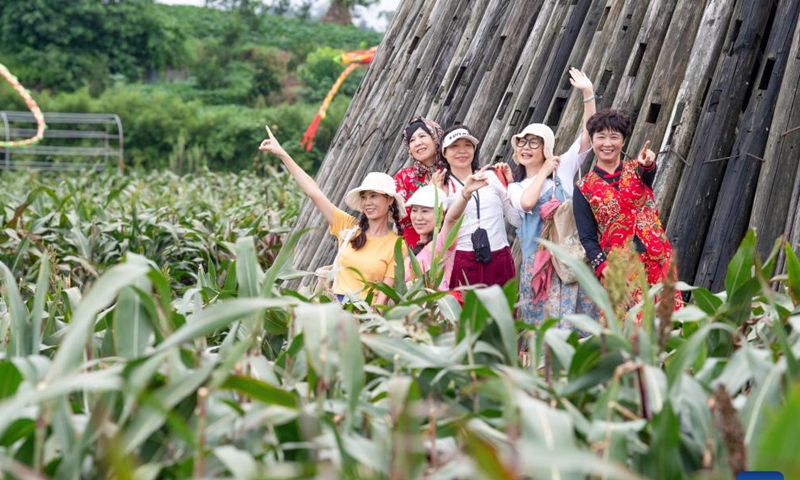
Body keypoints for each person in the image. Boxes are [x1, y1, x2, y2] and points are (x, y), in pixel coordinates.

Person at [259, 125, 405, 304]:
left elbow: (384, 294)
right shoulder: (350, 227)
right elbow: (314, 192)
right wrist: (282, 154)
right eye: (364, 197)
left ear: (390, 200)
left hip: (365, 315)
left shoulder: (397, 245)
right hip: (334, 309)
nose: (368, 202)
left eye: (374, 196)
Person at [508, 67, 599, 328]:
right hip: (537, 266)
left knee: (574, 328)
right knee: (541, 331)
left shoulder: (564, 168)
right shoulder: (516, 187)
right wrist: (545, 170)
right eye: (522, 143)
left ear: (546, 147)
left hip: (569, 262)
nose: (526, 148)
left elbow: (587, 138)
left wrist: (588, 93)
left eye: (533, 143)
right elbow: (527, 203)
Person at [573, 109, 683, 311]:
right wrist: (605, 269)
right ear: (592, 141)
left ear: (623, 142)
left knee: (670, 324)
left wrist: (649, 164)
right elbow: (587, 238)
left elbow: (648, 172)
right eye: (601, 137)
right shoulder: (584, 187)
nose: (607, 143)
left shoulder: (637, 169)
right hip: (622, 269)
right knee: (632, 331)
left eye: (614, 137)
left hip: (658, 259)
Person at [438, 125, 520, 288]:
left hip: (500, 257)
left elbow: (516, 219)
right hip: (464, 259)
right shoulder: (442, 186)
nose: (462, 150)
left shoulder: (491, 176)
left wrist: (512, 185)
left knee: (504, 313)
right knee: (467, 313)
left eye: (468, 145)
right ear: (444, 153)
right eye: (454, 146)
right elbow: (439, 234)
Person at [404, 169, 490, 292]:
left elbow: (451, 219)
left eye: (425, 211)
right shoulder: (417, 246)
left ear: (441, 214)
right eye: (414, 210)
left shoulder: (442, 242)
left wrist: (465, 194)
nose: (418, 217)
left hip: (436, 308)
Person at [394, 117, 445, 248]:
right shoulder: (404, 177)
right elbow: (397, 214)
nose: (417, 143)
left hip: (448, 246)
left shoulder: (449, 172)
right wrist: (426, 194)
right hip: (413, 251)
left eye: (422, 136)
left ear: (436, 138)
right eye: (412, 140)